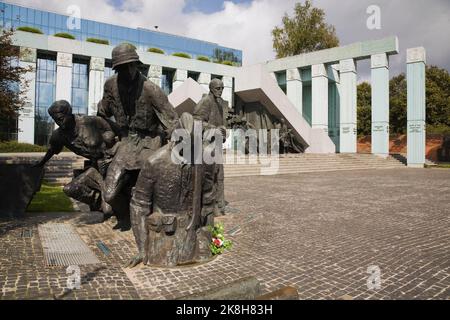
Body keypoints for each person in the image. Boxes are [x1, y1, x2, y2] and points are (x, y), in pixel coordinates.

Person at [96, 43, 179, 228]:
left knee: (147, 185)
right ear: (117, 69)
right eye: (123, 67)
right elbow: (104, 110)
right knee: (109, 194)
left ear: (137, 65)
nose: (128, 70)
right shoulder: (111, 85)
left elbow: (172, 120)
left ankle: (146, 221)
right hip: (126, 142)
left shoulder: (151, 89)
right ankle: (124, 215)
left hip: (150, 142)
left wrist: (175, 147)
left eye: (131, 65)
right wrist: (103, 110)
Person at [127, 113, 216, 267]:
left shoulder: (203, 160)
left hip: (194, 233)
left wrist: (208, 232)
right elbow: (139, 206)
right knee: (166, 258)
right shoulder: (155, 162)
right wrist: (142, 248)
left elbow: (208, 197)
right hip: (164, 235)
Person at [34, 100, 117, 213]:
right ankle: (101, 201)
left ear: (69, 113)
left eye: (61, 119)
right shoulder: (58, 136)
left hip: (114, 161)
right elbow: (52, 150)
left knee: (110, 203)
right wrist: (41, 162)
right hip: (96, 167)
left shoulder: (91, 121)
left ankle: (109, 202)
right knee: (70, 189)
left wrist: (111, 141)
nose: (59, 123)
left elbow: (117, 132)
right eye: (55, 120)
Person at [192, 78, 229, 215]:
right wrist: (214, 129)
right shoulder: (205, 102)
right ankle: (207, 207)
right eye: (218, 88)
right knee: (209, 176)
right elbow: (196, 121)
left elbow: (220, 123)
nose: (220, 91)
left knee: (219, 176)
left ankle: (219, 205)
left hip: (217, 145)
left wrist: (223, 131)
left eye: (222, 88)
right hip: (207, 145)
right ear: (211, 88)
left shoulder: (219, 103)